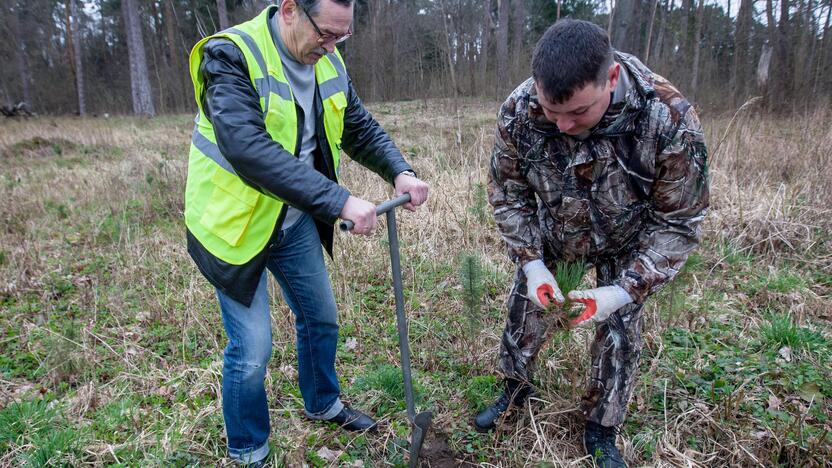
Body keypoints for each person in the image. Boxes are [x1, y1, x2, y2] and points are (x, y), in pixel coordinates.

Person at [182, 0, 429, 464]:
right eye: (326, 33)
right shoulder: (230, 56)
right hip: (235, 227)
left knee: (320, 319)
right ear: (291, 9)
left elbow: (357, 126)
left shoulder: (326, 57)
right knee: (253, 350)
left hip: (293, 220)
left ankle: (322, 403)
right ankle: (249, 449)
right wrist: (338, 200)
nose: (333, 45)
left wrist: (399, 170)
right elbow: (246, 147)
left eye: (342, 36)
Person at [475, 19, 708, 467]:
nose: (562, 125)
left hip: (627, 242)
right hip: (554, 232)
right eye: (551, 110)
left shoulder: (669, 117)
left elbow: (678, 222)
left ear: (612, 78)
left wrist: (622, 290)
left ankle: (601, 429)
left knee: (618, 333)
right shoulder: (520, 109)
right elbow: (507, 193)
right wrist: (531, 263)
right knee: (526, 311)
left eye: (579, 112)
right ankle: (514, 389)